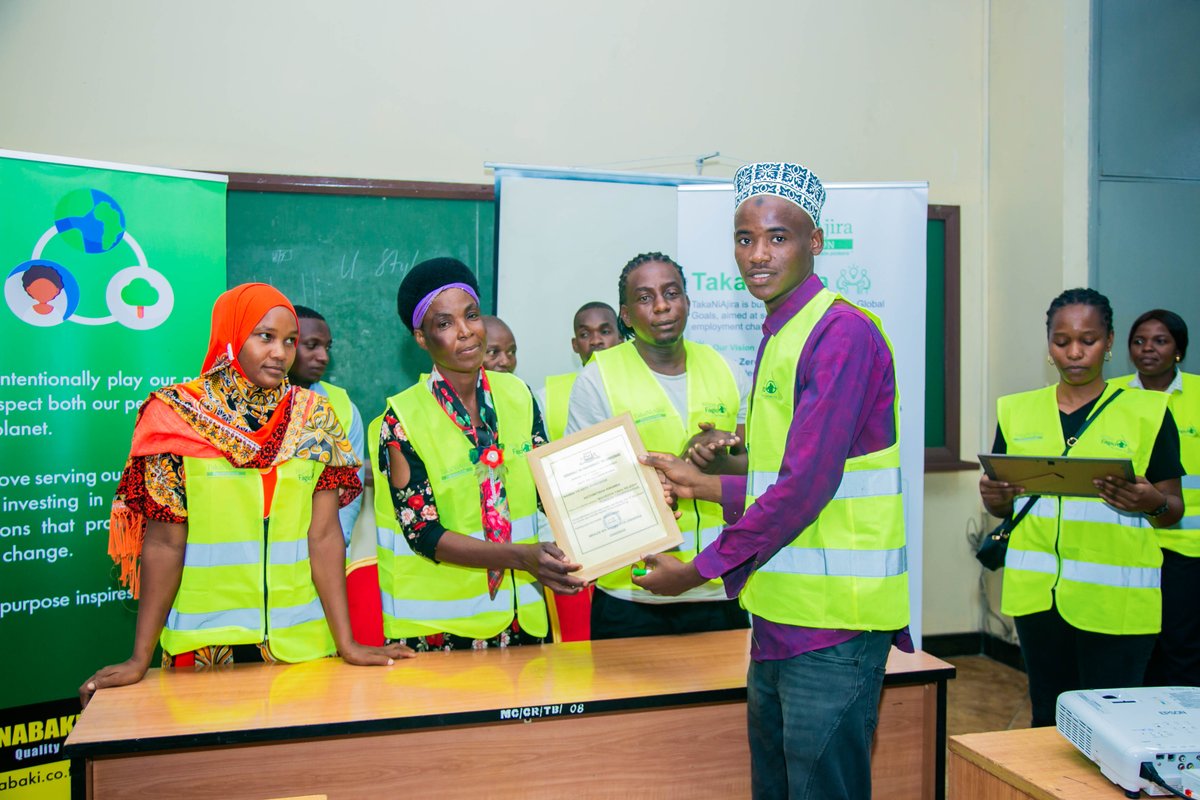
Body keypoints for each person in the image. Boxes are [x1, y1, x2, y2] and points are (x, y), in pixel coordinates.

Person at [633, 162, 910, 799]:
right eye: (744, 238)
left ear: (816, 241)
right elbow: (779, 479)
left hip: (836, 625)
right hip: (782, 620)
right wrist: (700, 484)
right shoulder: (780, 331)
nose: (757, 255)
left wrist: (693, 572)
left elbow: (805, 489)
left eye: (778, 237)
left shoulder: (841, 333)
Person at [80, 284, 412, 707]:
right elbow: (163, 544)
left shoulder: (315, 418)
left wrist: (347, 644)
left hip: (303, 647)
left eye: (289, 341)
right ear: (231, 334)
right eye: (265, 337)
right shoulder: (176, 416)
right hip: (204, 649)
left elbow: (325, 536)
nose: (280, 353)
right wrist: (139, 658)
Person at [980, 289, 1183, 727]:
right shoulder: (1016, 410)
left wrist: (1150, 503)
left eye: (1088, 341)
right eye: (1061, 340)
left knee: (1111, 732)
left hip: (1117, 604)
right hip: (1038, 601)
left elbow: (1172, 509)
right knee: (1047, 725)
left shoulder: (1148, 411)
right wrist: (995, 501)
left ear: (1109, 342)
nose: (1074, 352)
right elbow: (1005, 504)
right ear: (1048, 343)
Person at [372, 257, 585, 651]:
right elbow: (424, 533)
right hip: (438, 632)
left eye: (471, 315)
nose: (466, 332)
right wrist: (521, 557)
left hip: (522, 620)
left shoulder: (518, 395)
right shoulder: (400, 419)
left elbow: (548, 490)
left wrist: (633, 500)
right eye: (445, 323)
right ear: (421, 338)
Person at [565, 251, 751, 640]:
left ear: (687, 301)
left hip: (719, 589)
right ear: (627, 316)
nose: (663, 305)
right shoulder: (597, 378)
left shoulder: (726, 369)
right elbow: (581, 491)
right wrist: (651, 487)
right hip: (631, 594)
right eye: (646, 298)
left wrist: (721, 459)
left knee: (727, 704)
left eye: (672, 293)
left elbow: (758, 467)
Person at [1112, 308, 1199, 687]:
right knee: (1134, 646)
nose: (1148, 349)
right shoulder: (1111, 395)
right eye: (1139, 341)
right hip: (1127, 545)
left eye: (1160, 341)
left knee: (1181, 648)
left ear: (1178, 349)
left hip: (1186, 548)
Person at [288, 305, 365, 546]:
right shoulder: (249, 404)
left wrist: (331, 548)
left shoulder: (342, 407)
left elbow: (349, 495)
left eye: (327, 347)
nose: (324, 357)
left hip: (318, 556)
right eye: (311, 346)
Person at [540, 302, 623, 441]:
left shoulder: (648, 379)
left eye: (605, 332)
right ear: (575, 345)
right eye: (585, 334)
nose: (596, 341)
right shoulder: (546, 396)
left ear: (621, 338)